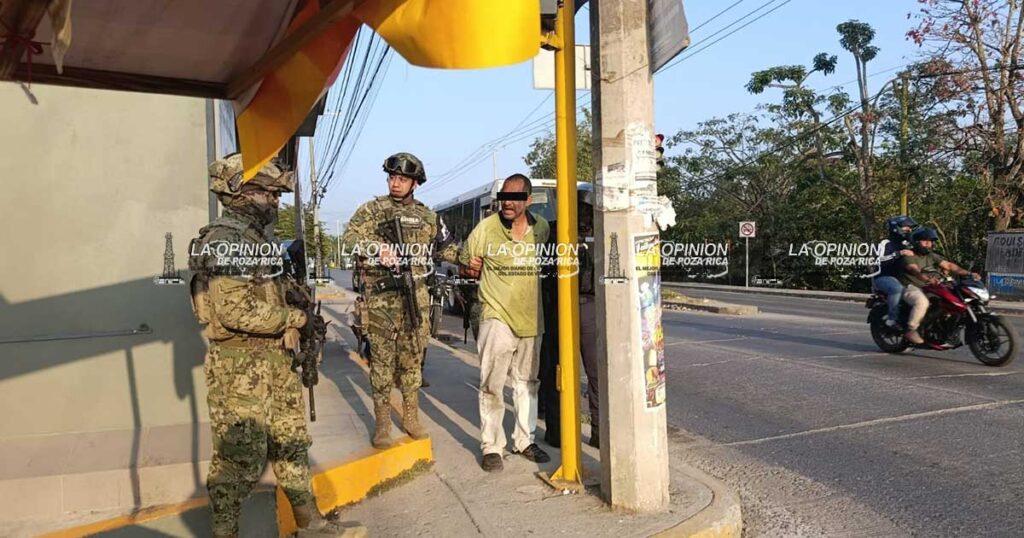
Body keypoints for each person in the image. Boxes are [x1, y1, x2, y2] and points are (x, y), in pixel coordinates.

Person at [188, 154, 363, 537]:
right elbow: (234, 310)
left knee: (291, 443)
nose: (275, 202)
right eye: (269, 194)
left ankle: (310, 523)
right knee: (240, 459)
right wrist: (294, 319)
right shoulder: (224, 240)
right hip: (240, 366)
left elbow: (273, 290)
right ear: (244, 194)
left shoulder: (257, 239)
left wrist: (298, 300)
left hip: (274, 358)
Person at [341, 152, 461, 449]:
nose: (396, 183)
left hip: (416, 298)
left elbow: (447, 250)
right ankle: (382, 423)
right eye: (392, 178)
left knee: (412, 361)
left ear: (414, 183)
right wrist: (376, 248)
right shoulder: (372, 210)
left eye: (403, 179)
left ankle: (410, 417)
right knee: (381, 363)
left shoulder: (428, 217)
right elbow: (348, 239)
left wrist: (471, 260)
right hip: (382, 299)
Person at [461, 174, 551, 472]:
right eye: (504, 197)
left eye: (515, 197)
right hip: (496, 316)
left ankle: (525, 441)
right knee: (492, 384)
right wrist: (472, 266)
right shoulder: (485, 229)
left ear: (528, 200)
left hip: (531, 318)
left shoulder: (542, 228)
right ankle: (491, 446)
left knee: (527, 383)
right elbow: (466, 261)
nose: (508, 203)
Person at [539, 184, 601, 448]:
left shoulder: (599, 232)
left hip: (580, 306)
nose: (586, 216)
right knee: (562, 372)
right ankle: (564, 429)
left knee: (583, 372)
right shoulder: (555, 231)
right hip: (564, 306)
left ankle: (585, 430)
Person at [899, 227, 981, 344]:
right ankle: (911, 329)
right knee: (922, 302)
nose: (928, 244)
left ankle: (945, 329)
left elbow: (948, 265)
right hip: (911, 286)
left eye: (930, 241)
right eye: (925, 241)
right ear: (916, 242)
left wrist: (969, 273)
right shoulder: (909, 255)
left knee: (951, 300)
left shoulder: (931, 256)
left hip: (929, 286)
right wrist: (927, 278)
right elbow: (914, 270)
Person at [872, 216, 917, 328]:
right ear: (896, 228)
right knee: (897, 289)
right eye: (907, 227)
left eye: (911, 228)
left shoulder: (909, 244)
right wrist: (899, 253)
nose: (909, 230)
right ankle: (892, 320)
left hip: (905, 278)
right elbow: (879, 260)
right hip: (884, 277)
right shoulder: (886, 243)